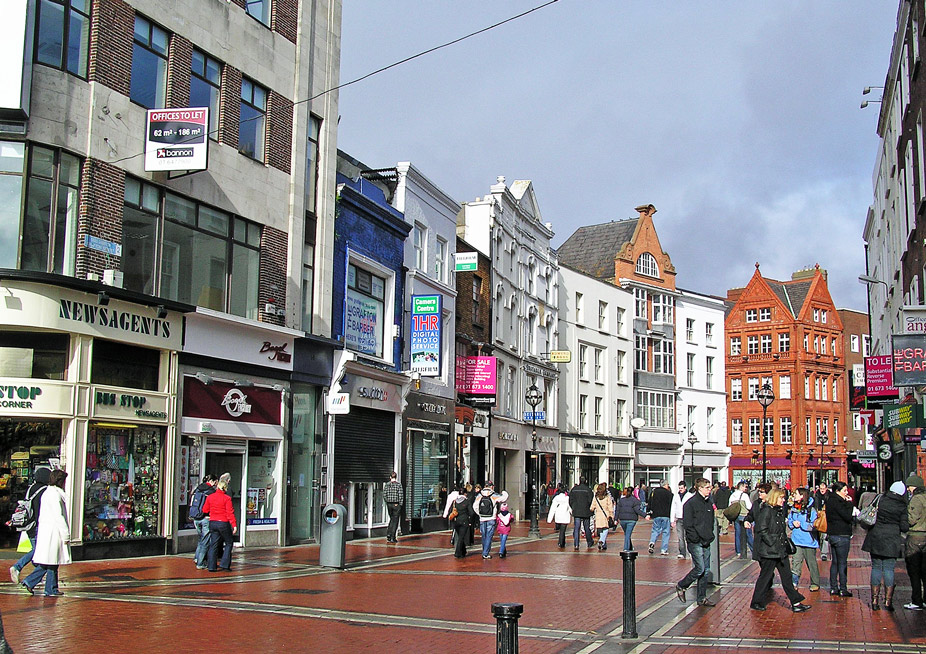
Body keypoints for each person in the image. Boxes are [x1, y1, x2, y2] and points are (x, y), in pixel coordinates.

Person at [750, 488, 811, 612]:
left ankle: (796, 602)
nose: (783, 500)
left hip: (780, 550)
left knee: (787, 577)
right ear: (774, 498)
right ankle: (756, 601)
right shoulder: (766, 511)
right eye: (781, 498)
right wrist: (772, 542)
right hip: (770, 551)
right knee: (765, 577)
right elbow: (761, 529)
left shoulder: (777, 511)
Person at [861, 480, 909, 611]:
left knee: (876, 567)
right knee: (889, 569)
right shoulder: (902, 505)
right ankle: (888, 602)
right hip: (892, 540)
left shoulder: (880, 498)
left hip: (875, 536)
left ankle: (874, 600)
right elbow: (904, 527)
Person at [21, 469, 70, 597]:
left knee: (50, 562)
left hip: (48, 532)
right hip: (53, 533)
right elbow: (59, 516)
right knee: (51, 562)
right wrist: (66, 534)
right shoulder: (54, 495)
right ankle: (46, 587)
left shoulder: (49, 493)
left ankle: (45, 586)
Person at [674, 478, 716, 607]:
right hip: (695, 541)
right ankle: (682, 585)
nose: (710, 490)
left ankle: (702, 597)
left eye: (710, 487)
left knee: (706, 571)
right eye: (707, 487)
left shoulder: (708, 503)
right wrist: (695, 538)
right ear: (700, 488)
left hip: (706, 540)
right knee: (700, 568)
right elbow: (688, 524)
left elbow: (710, 521)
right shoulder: (690, 504)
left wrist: (710, 535)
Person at [9, 467, 50, 584]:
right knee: (38, 550)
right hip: (36, 525)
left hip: (28, 524)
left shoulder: (31, 488)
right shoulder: (44, 490)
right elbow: (39, 511)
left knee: (36, 549)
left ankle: (37, 575)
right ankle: (17, 567)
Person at [826, 480, 857, 597]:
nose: (846, 493)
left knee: (835, 562)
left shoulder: (830, 500)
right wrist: (850, 504)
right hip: (841, 535)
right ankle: (843, 588)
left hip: (832, 534)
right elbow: (847, 516)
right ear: (838, 491)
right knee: (842, 563)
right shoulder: (838, 502)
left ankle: (833, 587)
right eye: (844, 491)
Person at [202, 472, 237, 572]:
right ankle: (225, 564)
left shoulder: (210, 497)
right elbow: (230, 512)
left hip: (213, 522)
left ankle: (211, 566)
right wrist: (234, 525)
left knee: (214, 544)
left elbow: (205, 510)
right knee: (229, 542)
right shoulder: (227, 498)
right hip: (223, 522)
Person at [788, 487, 820, 592]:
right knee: (796, 562)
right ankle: (794, 582)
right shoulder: (794, 508)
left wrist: (802, 524)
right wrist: (792, 523)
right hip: (796, 540)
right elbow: (790, 520)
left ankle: (815, 582)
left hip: (809, 541)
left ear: (802, 496)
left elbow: (814, 525)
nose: (794, 496)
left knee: (811, 562)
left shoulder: (811, 509)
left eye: (796, 494)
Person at [904, 473, 926, 610]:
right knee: (925, 570)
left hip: (916, 536)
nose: (908, 489)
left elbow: (912, 519)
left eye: (909, 486)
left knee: (914, 570)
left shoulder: (916, 499)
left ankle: (916, 600)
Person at [475, 482, 508, 559]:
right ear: (491, 487)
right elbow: (504, 497)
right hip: (491, 518)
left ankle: (484, 551)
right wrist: (504, 492)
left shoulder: (479, 495)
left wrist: (479, 514)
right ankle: (485, 553)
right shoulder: (494, 495)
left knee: (484, 535)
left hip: (482, 518)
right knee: (489, 536)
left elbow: (475, 506)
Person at [190, 474, 216, 570]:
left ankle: (197, 558)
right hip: (206, 517)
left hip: (196, 517)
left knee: (201, 539)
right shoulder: (211, 491)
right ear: (212, 481)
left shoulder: (198, 489)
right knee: (205, 541)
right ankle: (200, 563)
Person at [616, 486, 647, 551]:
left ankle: (629, 546)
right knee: (628, 534)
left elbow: (617, 510)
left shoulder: (621, 500)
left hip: (622, 519)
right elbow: (637, 510)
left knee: (627, 534)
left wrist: (616, 519)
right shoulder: (635, 501)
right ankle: (626, 548)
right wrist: (645, 515)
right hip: (631, 520)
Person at [647, 480, 673, 555]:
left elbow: (650, 502)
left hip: (656, 514)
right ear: (665, 485)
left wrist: (649, 512)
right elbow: (672, 505)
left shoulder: (654, 492)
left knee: (655, 530)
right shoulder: (669, 494)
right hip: (666, 515)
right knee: (665, 532)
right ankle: (663, 549)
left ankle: (652, 542)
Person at [728, 481, 753, 559]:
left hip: (736, 516)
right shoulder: (744, 495)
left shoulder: (732, 495)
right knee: (748, 534)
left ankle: (738, 551)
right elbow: (749, 506)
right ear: (741, 487)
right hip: (744, 515)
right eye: (745, 487)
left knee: (737, 534)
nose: (746, 488)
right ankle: (753, 549)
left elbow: (729, 506)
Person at [569, 476, 595, 551]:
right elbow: (591, 500)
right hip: (586, 511)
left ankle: (576, 544)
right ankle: (589, 542)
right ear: (585, 481)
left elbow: (570, 500)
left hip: (577, 511)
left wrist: (573, 507)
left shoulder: (574, 489)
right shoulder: (588, 490)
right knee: (586, 527)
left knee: (577, 528)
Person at [450, 489, 474, 558]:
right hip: (464, 521)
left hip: (456, 521)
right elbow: (471, 512)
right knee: (461, 537)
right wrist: (470, 520)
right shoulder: (467, 501)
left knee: (461, 536)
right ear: (465, 494)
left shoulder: (455, 502)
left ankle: (463, 551)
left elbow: (451, 511)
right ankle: (457, 553)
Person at [591, 482, 615, 551]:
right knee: (605, 529)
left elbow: (592, 507)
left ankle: (603, 544)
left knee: (600, 529)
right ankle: (601, 541)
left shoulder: (596, 497)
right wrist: (611, 515)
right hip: (606, 515)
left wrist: (591, 509)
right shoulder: (607, 497)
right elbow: (610, 507)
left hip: (598, 515)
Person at [670, 481, 691, 559]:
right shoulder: (676, 496)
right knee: (680, 537)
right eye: (679, 488)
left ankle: (690, 551)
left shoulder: (689, 496)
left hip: (687, 518)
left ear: (685, 487)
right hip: (679, 518)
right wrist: (672, 520)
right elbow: (673, 508)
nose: (680, 489)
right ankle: (682, 552)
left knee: (688, 536)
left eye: (682, 488)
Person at [547, 483, 572, 549]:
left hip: (558, 516)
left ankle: (562, 542)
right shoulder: (567, 498)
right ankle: (561, 542)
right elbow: (570, 507)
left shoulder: (556, 498)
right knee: (563, 530)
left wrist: (549, 519)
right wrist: (572, 512)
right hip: (565, 515)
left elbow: (552, 508)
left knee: (561, 530)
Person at [384, 471, 404, 544]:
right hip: (396, 504)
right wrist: (399, 504)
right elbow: (401, 495)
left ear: (390, 477)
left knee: (391, 519)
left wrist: (387, 502)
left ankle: (388, 534)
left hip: (389, 504)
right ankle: (392, 537)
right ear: (396, 477)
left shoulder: (387, 485)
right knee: (395, 520)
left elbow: (384, 494)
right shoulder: (398, 485)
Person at [813, 481, 831, 561]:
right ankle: (820, 547)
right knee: (817, 535)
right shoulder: (816, 495)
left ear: (826, 488)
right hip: (818, 516)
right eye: (821, 488)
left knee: (824, 535)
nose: (822, 490)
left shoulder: (829, 496)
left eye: (823, 489)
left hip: (825, 517)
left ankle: (824, 553)